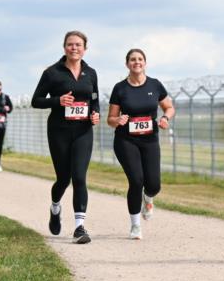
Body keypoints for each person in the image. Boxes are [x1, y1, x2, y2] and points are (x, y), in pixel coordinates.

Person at [31, 30, 101, 244]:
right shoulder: (52, 73)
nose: (74, 48)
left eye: (78, 45)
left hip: (83, 131)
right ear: (64, 47)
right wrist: (58, 101)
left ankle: (80, 228)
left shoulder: (91, 73)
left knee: (79, 177)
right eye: (70, 44)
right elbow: (36, 100)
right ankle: (55, 208)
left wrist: (95, 113)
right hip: (59, 131)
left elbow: (95, 98)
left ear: (85, 48)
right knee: (64, 178)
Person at [107, 48, 176, 240]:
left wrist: (165, 119)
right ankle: (135, 225)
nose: (136, 62)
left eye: (140, 59)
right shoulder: (120, 88)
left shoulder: (154, 85)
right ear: (127, 64)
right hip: (126, 140)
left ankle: (149, 197)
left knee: (153, 184)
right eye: (132, 59)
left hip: (150, 140)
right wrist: (118, 120)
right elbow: (110, 119)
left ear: (145, 63)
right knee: (136, 181)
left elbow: (169, 107)